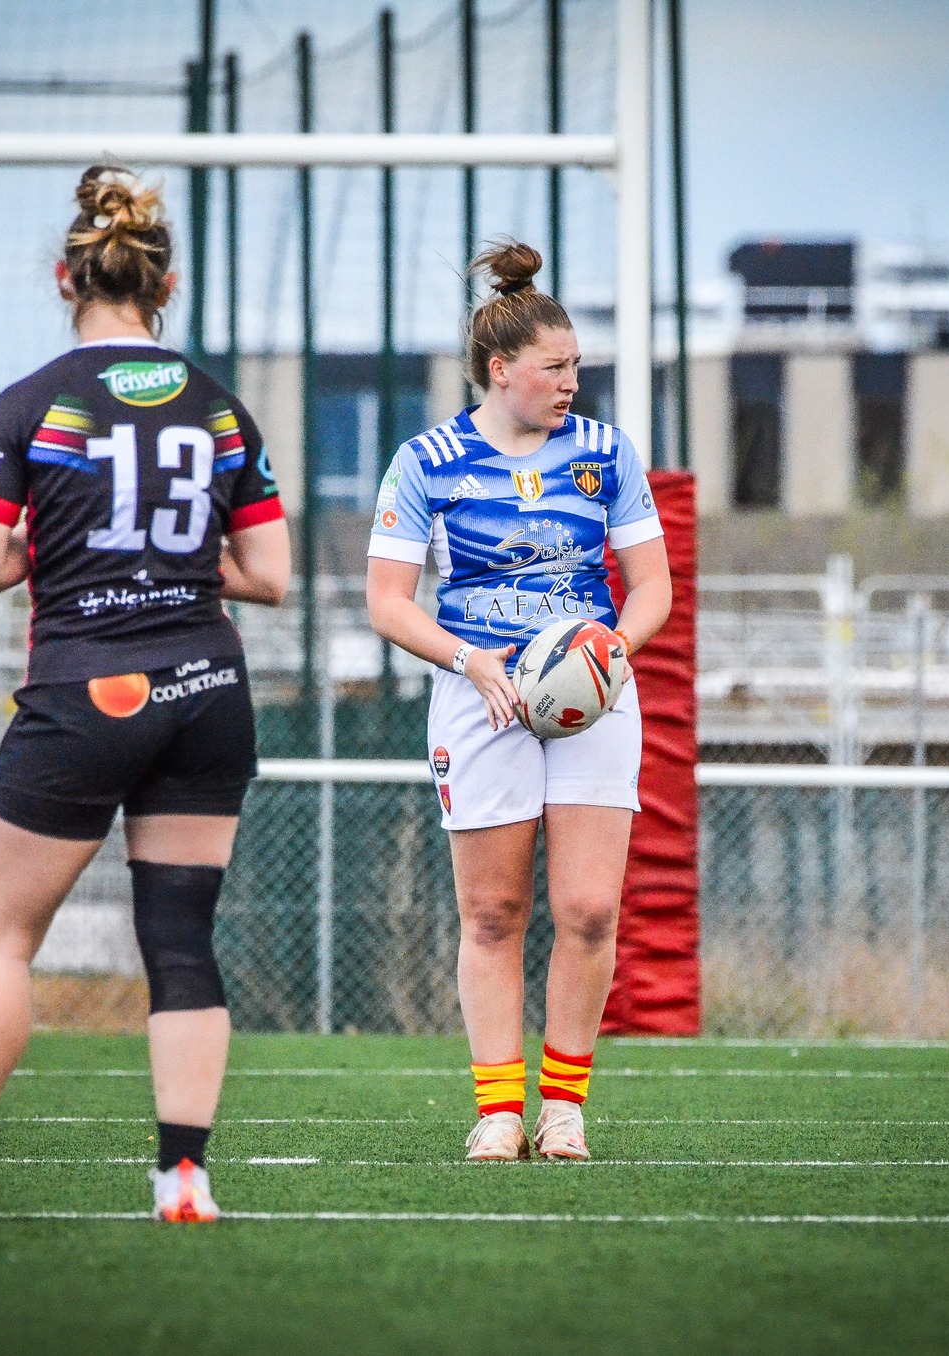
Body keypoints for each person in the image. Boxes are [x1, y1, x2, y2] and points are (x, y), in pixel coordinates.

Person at [0, 166, 290, 1223]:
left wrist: (73, 545)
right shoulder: (220, 409)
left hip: (90, 688)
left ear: (62, 276)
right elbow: (269, 577)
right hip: (209, 684)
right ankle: (183, 1174)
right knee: (179, 940)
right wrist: (172, 564)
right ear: (161, 287)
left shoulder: (32, 402)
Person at [365, 240, 672, 1161]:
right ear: (501, 372)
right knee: (493, 915)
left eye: (577, 365)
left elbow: (651, 586)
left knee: (587, 911)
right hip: (481, 699)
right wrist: (472, 662)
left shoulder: (605, 453)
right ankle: (500, 1110)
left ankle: (564, 1108)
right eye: (556, 367)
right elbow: (386, 603)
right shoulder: (427, 461)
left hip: (593, 698)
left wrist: (610, 651)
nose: (573, 381)